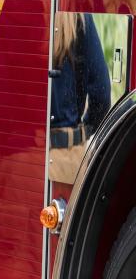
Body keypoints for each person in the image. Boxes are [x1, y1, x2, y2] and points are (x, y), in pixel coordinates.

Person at [48, 12, 111, 184]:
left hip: (15, 151)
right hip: (65, 155)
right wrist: (82, 132)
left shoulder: (11, 8)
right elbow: (102, 92)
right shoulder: (78, 17)